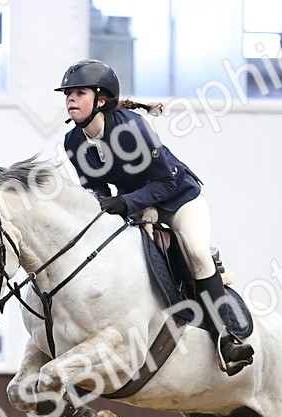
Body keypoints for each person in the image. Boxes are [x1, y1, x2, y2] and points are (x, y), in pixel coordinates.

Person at [57, 59, 253, 376]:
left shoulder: (131, 129)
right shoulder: (73, 142)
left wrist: (125, 202)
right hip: (138, 207)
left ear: (101, 99)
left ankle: (227, 339)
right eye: (68, 94)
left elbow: (167, 182)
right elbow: (94, 186)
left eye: (79, 93)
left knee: (198, 253)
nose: (70, 99)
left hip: (180, 200)